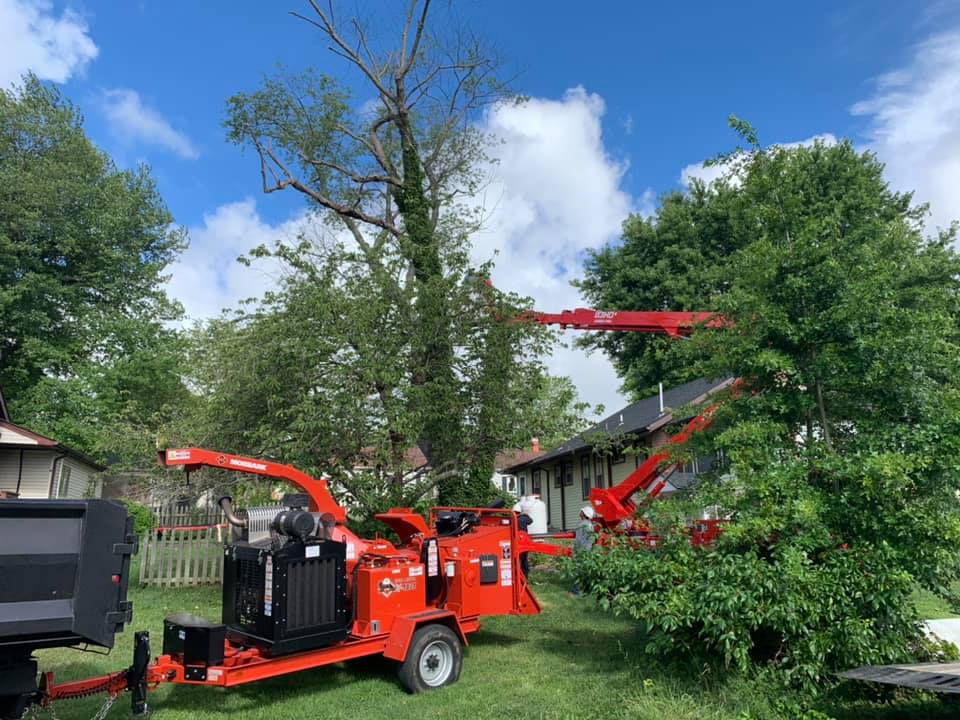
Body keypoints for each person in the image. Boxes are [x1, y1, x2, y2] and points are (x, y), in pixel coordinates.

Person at [570, 505, 596, 597]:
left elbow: (579, 540)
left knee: (578, 571)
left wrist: (575, 551)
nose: (580, 512)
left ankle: (575, 592)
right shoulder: (588, 524)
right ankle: (585, 590)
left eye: (582, 511)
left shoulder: (583, 525)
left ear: (584, 514)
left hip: (582, 550)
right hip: (586, 550)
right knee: (584, 570)